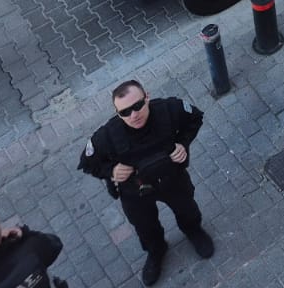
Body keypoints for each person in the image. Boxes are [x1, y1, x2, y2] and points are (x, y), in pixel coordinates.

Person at [78, 80, 213, 285]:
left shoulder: (169, 110)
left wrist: (183, 144)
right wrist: (110, 171)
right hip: (135, 192)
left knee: (187, 210)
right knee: (145, 227)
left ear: (147, 97)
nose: (133, 115)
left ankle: (193, 231)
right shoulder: (106, 136)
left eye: (138, 106)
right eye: (125, 112)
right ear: (117, 112)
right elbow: (87, 164)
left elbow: (195, 118)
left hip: (172, 179)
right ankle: (156, 252)